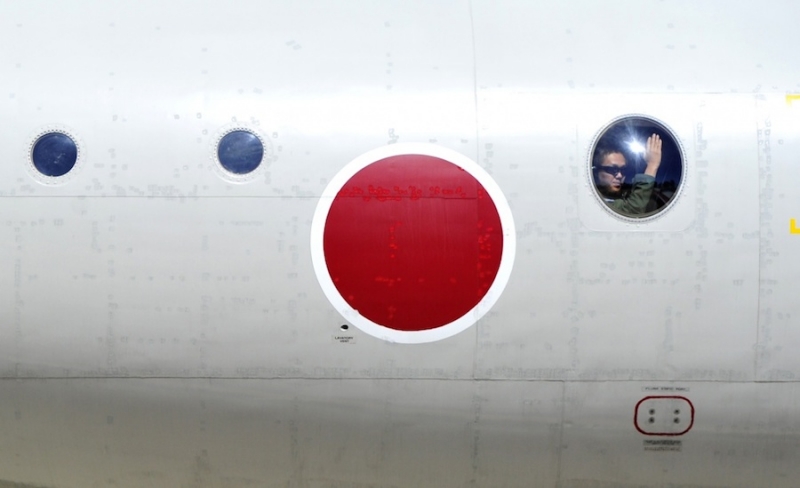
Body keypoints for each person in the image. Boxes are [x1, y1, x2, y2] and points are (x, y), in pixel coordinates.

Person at [593, 133, 662, 215]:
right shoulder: (593, 202)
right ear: (596, 172)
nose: (620, 175)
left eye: (623, 170)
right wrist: (652, 165)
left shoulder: (624, 196)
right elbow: (632, 211)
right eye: (612, 169)